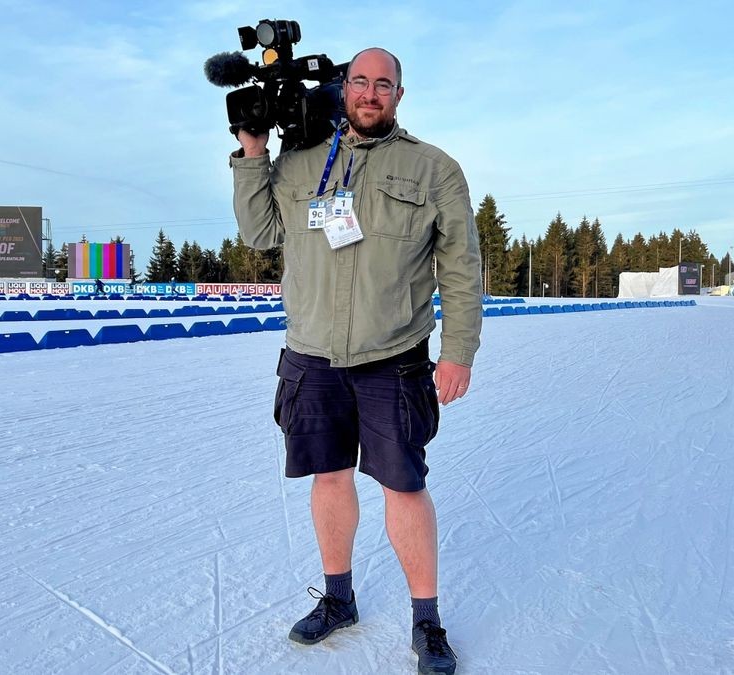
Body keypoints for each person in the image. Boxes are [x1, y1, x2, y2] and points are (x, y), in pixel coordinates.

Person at [231, 47, 482, 675]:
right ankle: (338, 599)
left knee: (405, 486)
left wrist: (458, 353)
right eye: (361, 82)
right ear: (343, 89)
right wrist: (253, 154)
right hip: (312, 356)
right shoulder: (301, 161)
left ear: (400, 93)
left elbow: (460, 269)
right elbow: (259, 234)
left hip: (392, 358)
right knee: (330, 477)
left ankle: (426, 619)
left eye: (384, 84)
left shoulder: (434, 169)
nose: (371, 93)